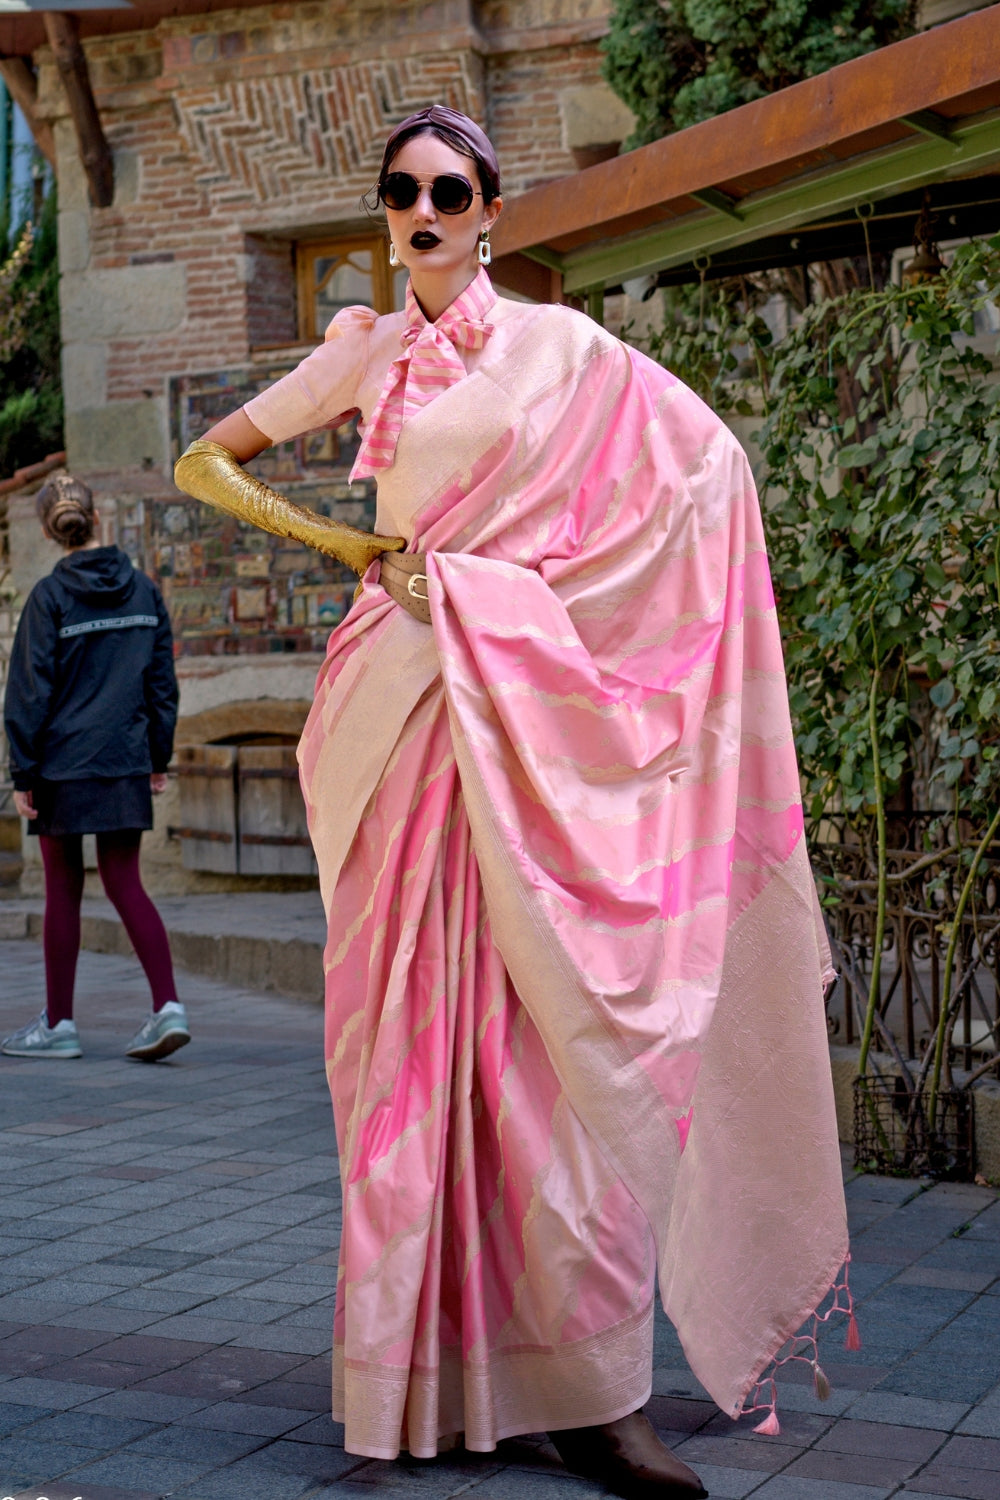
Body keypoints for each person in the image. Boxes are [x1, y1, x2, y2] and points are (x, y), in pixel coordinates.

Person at [174, 106, 849, 1499]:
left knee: (549, 1054)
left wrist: (583, 614)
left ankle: (596, 1397)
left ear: (492, 212)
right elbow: (204, 464)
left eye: (452, 190)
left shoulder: (561, 347)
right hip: (402, 718)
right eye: (403, 190)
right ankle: (424, 1386)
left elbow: (705, 465)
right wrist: (359, 545)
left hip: (530, 723)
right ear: (387, 211)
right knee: (406, 1059)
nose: (424, 209)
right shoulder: (361, 352)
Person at [2, 472, 188, 1063]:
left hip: (62, 765)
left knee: (64, 888)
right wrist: (157, 756)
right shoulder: (144, 592)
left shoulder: (49, 598)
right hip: (124, 759)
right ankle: (168, 1008)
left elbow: (29, 691)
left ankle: (59, 1026)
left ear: (49, 528)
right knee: (125, 881)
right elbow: (162, 684)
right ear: (96, 516)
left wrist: (22, 773)